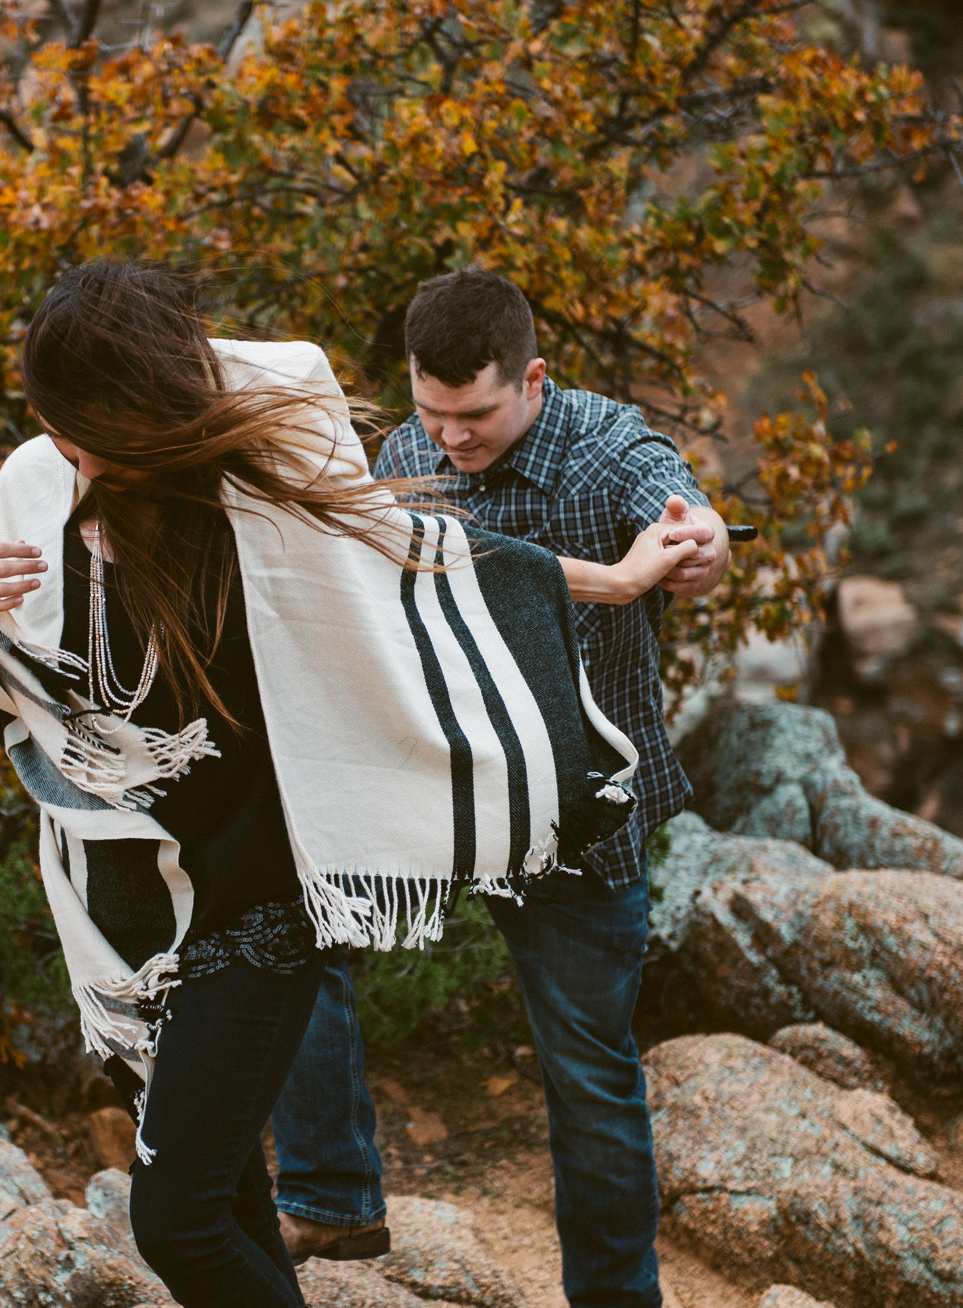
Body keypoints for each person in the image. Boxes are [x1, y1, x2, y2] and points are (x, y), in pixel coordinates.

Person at [0, 261, 649, 1308]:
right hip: (133, 917)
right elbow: (8, 697)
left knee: (177, 1221)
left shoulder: (264, 477)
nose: (64, 448)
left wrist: (609, 583)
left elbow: (419, 558)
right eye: (52, 421)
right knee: (231, 1201)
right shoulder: (38, 489)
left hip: (262, 911)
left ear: (144, 408)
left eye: (83, 426)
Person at [271, 268, 727, 1307]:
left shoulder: (606, 449)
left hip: (573, 814)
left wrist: (704, 543)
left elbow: (688, 514)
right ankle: (333, 1190)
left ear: (531, 380)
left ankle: (615, 1301)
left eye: (473, 415)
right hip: (436, 796)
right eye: (432, 414)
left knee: (587, 1078)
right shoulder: (404, 452)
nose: (450, 441)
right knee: (284, 920)